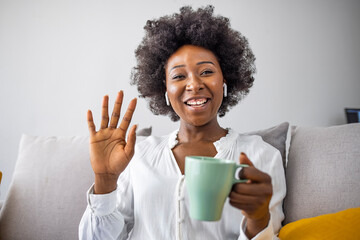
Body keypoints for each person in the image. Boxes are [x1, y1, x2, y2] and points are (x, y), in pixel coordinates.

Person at [79, 5, 286, 240]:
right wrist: (105, 181)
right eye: (178, 76)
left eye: (206, 72)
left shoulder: (261, 156)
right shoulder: (138, 155)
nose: (194, 84)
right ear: (164, 90)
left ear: (224, 81)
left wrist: (258, 220)